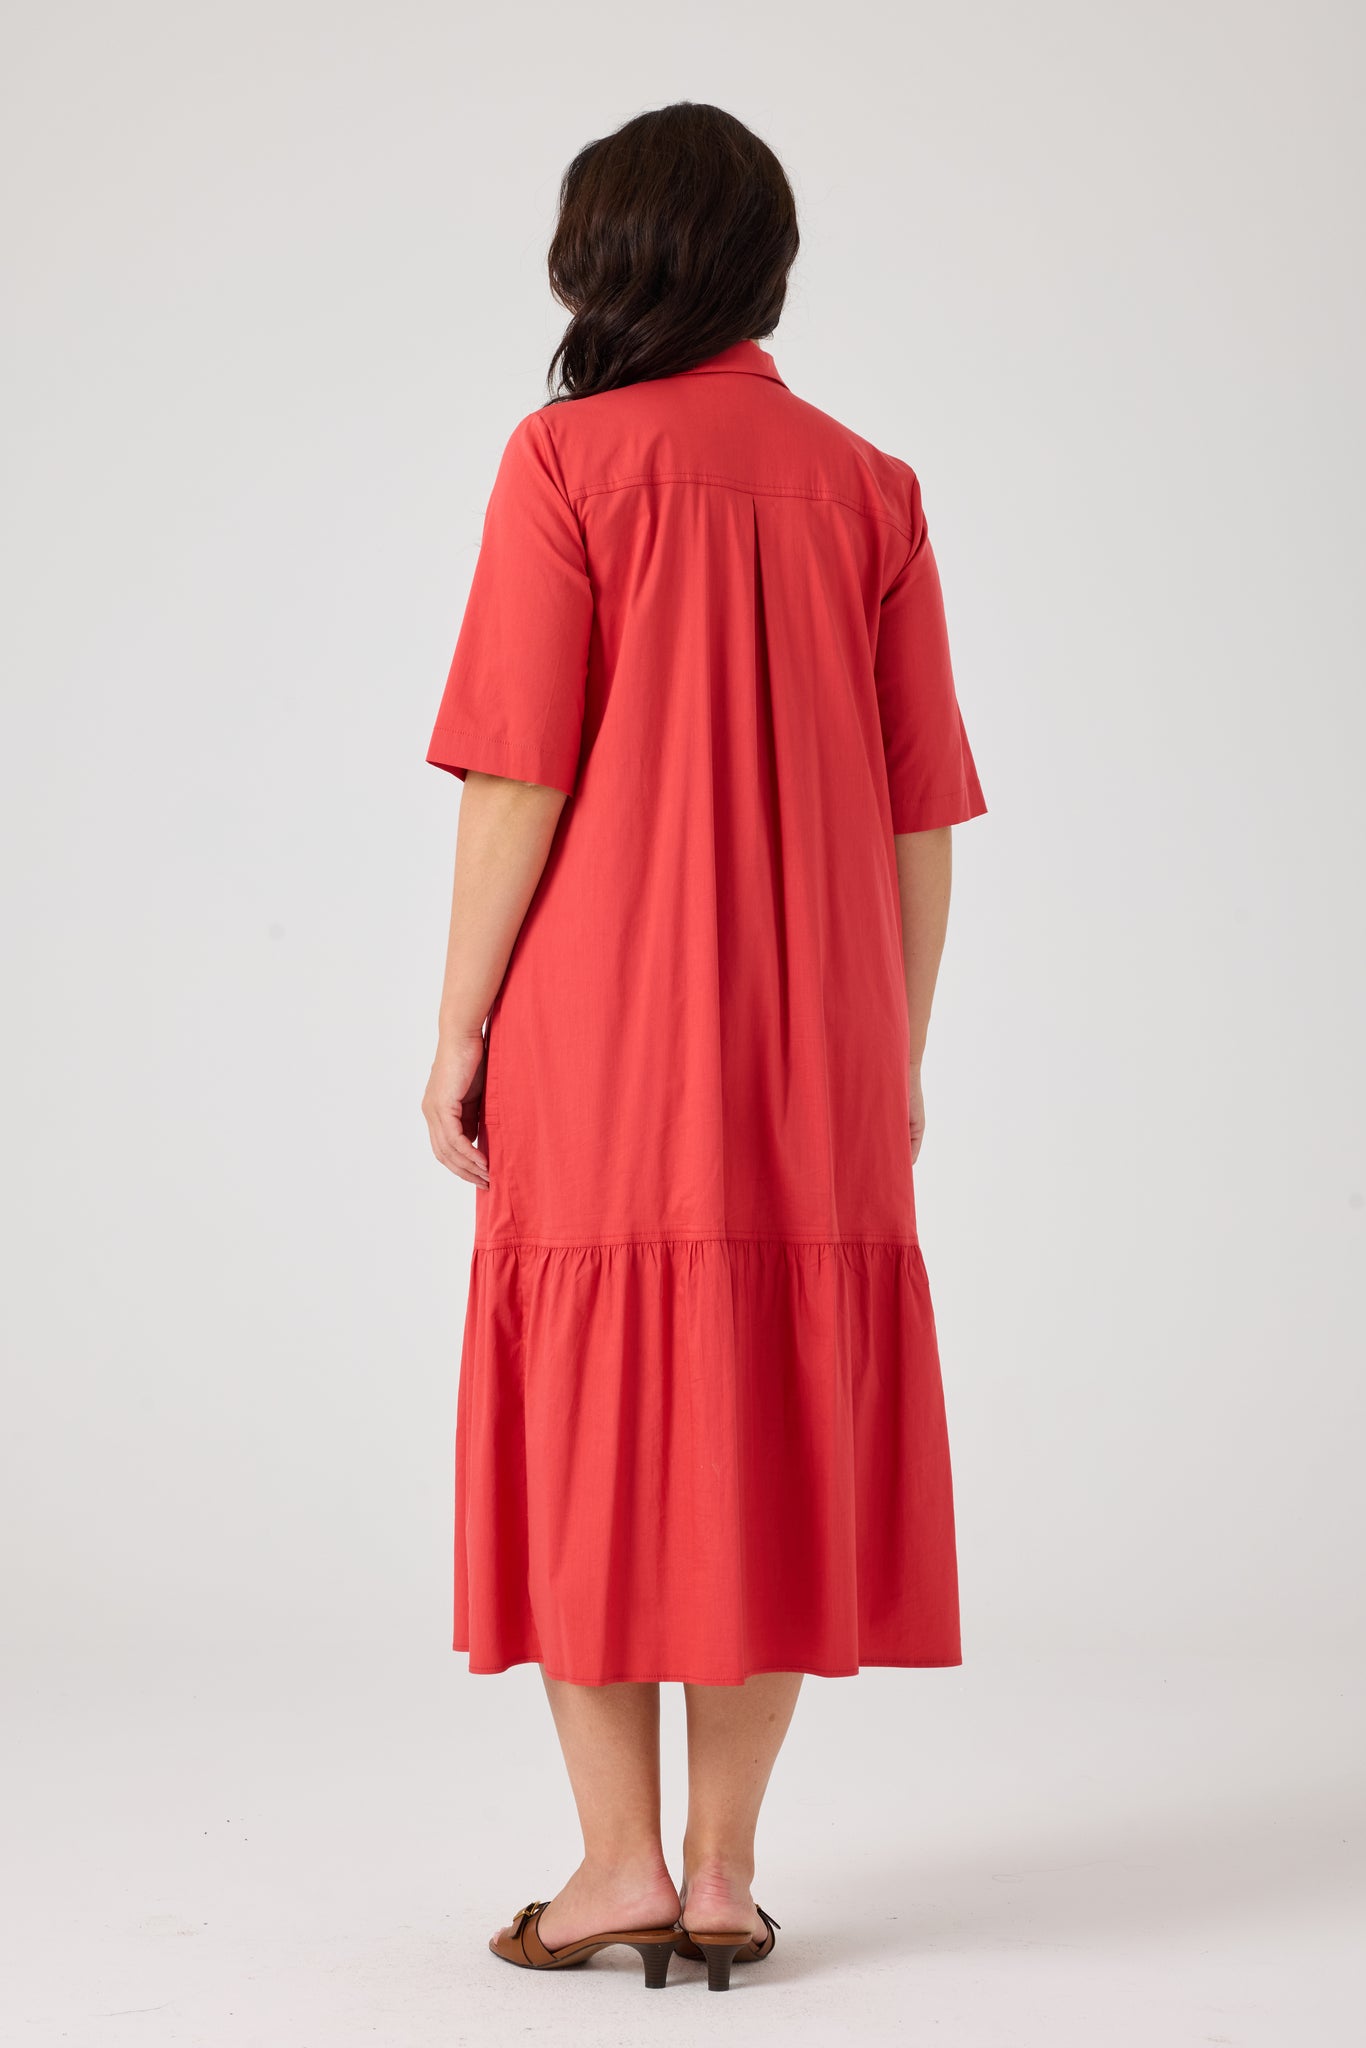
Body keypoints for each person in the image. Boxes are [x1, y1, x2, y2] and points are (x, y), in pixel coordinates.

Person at [421, 101, 987, 1993]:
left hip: (600, 1024)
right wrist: (892, 1049)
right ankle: (726, 1877)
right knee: (771, 1415)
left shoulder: (564, 460)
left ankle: (615, 1869)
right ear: (765, 264)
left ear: (599, 261)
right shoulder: (870, 486)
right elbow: (919, 816)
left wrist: (457, 1023)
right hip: (822, 1031)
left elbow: (517, 772)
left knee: (594, 1412)